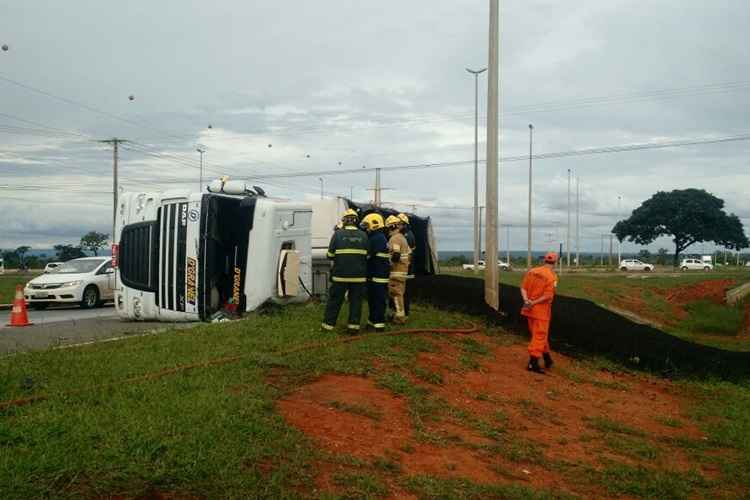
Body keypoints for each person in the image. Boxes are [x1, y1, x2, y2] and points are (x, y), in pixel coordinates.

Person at [321, 209, 369, 334]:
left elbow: (330, 255)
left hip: (340, 276)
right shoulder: (364, 235)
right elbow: (368, 255)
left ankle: (328, 326)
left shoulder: (337, 235)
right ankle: (353, 327)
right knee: (356, 302)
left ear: (344, 221)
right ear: (356, 221)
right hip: (359, 276)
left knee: (335, 301)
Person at [520, 251, 559, 374]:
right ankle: (533, 363)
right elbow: (548, 296)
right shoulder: (552, 277)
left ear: (544, 260)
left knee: (539, 335)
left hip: (528, 309)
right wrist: (535, 302)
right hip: (541, 312)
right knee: (540, 335)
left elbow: (523, 288)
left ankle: (547, 359)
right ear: (555, 262)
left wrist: (527, 301)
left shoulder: (532, 271)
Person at [361, 213, 389, 332]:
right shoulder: (379, 237)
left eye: (367, 225)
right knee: (373, 300)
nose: (366, 228)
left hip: (378, 275)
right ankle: (372, 321)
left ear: (374, 225)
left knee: (377, 300)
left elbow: (367, 255)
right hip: (376, 275)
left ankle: (379, 324)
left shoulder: (376, 238)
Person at [386, 215, 411, 324]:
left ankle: (399, 318)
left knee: (396, 294)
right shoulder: (402, 238)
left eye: (387, 228)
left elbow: (395, 255)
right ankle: (397, 314)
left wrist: (388, 265)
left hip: (396, 272)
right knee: (399, 294)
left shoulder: (394, 238)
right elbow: (409, 254)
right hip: (402, 271)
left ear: (391, 227)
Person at [397, 213, 417, 319]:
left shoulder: (407, 236)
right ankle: (402, 311)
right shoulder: (408, 234)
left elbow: (407, 255)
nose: (397, 226)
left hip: (406, 269)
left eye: (398, 224)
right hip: (406, 268)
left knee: (404, 292)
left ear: (404, 224)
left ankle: (404, 312)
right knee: (402, 291)